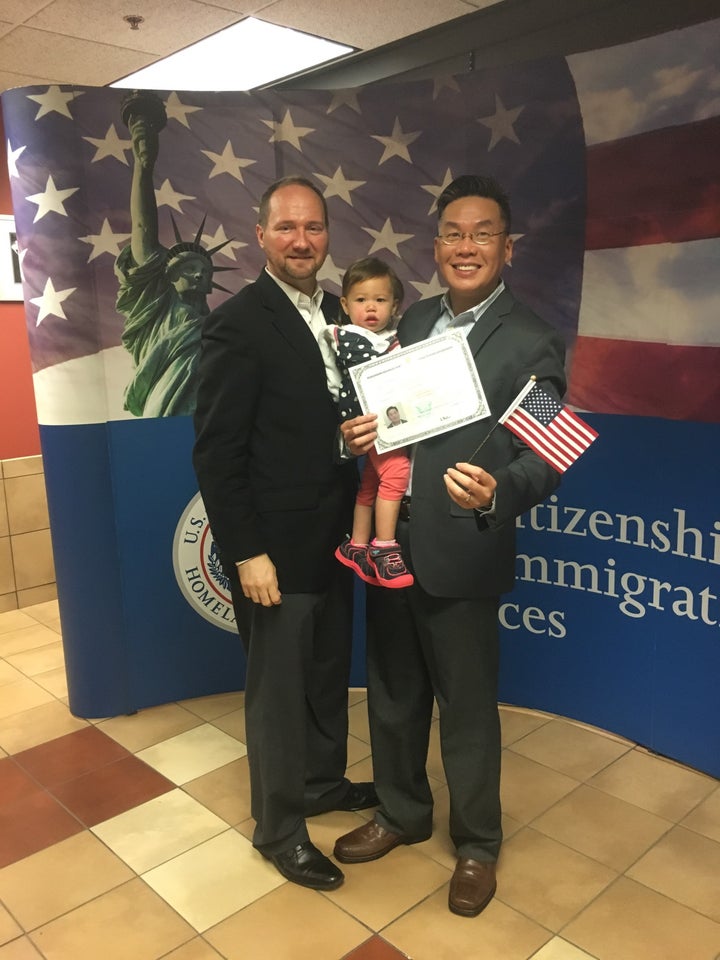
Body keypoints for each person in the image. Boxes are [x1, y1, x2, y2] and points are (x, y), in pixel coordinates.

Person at [334, 175, 567, 917]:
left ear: (507, 246)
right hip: (389, 544)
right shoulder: (412, 317)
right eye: (453, 234)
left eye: (483, 233)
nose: (467, 247)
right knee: (394, 694)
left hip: (464, 549)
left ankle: (477, 845)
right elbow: (378, 413)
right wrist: (356, 434)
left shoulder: (532, 338)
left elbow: (548, 452)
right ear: (435, 247)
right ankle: (402, 812)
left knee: (466, 709)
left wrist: (501, 491)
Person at [192, 176, 378, 892]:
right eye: (287, 227)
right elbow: (216, 451)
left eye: (315, 227)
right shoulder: (237, 324)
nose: (302, 240)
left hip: (337, 540)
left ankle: (322, 784)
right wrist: (246, 552)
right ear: (261, 235)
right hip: (274, 549)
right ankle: (278, 829)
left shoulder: (339, 312)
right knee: (277, 693)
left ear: (328, 235)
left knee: (330, 674)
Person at [116, 90, 232, 417]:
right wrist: (143, 167)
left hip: (207, 412)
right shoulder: (156, 305)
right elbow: (142, 229)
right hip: (166, 402)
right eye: (188, 268)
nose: (198, 275)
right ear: (166, 275)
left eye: (204, 272)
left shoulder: (211, 325)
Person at [319, 257, 413, 589]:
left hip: (391, 418)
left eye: (380, 300)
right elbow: (330, 371)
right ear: (345, 304)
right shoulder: (346, 337)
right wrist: (335, 393)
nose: (370, 308)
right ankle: (384, 547)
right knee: (397, 471)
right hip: (368, 420)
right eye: (360, 300)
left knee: (371, 481)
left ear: (395, 305)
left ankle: (356, 544)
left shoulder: (394, 336)